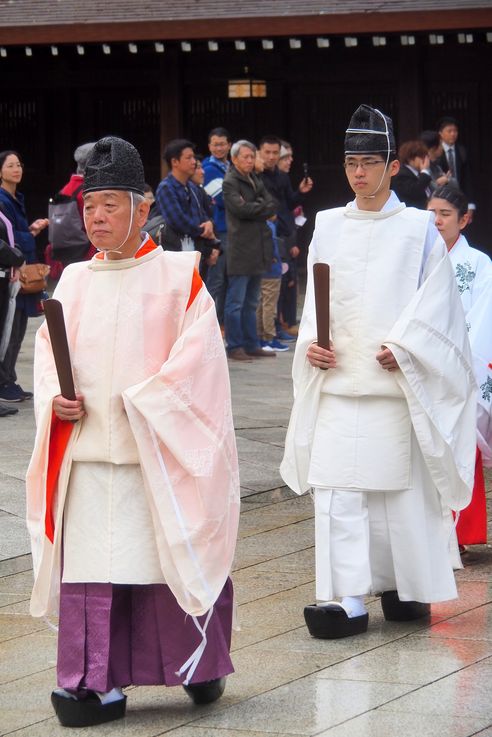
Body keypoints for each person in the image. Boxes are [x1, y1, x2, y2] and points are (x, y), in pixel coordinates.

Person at [26, 136, 240, 727]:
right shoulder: (72, 283)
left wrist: (148, 403)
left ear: (143, 209)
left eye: (110, 205)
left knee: (163, 558)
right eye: (89, 206)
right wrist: (56, 398)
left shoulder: (179, 277)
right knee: (94, 566)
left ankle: (199, 664)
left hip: (156, 454)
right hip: (90, 454)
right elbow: (48, 353)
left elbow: (199, 366)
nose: (95, 217)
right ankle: (95, 683)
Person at [280, 104, 476, 640]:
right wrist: (313, 346)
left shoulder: (419, 230)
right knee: (340, 489)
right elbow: (316, 303)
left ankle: (403, 586)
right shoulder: (328, 224)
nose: (359, 173)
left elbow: (439, 307)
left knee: (399, 493)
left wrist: (407, 349)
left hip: (395, 381)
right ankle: (344, 598)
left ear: (393, 166)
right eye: (351, 163)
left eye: (370, 162)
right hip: (341, 382)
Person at [428, 185, 492, 548]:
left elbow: (482, 321)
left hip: (460, 366)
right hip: (421, 364)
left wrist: (455, 359)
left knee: (460, 449)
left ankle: (460, 536)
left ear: (464, 219)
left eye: (445, 214)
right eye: (431, 213)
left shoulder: (479, 264)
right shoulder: (418, 257)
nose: (436, 221)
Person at [0, 150, 49, 403]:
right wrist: (30, 234)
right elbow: (9, 240)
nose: (17, 169)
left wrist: (29, 231)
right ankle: (3, 381)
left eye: (19, 164)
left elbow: (16, 235)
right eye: (10, 165)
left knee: (18, 327)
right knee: (9, 327)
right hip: (9, 272)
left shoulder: (14, 197)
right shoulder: (2, 200)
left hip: (19, 267)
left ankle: (9, 378)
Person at [222, 140, 278, 360]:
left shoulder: (254, 178)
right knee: (236, 301)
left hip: (258, 246)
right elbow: (241, 209)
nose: (249, 160)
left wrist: (257, 207)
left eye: (251, 156)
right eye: (244, 157)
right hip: (240, 247)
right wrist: (261, 208)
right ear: (234, 159)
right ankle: (235, 345)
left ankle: (251, 343)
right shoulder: (230, 182)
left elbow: (272, 203)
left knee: (252, 301)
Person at [259, 135, 313, 338]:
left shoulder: (282, 177)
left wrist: (300, 191)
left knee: (285, 280)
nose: (272, 157)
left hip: (285, 230)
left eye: (276, 153)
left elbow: (289, 204)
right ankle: (271, 327)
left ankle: (280, 324)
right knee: (273, 282)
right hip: (270, 233)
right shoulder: (257, 176)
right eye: (268, 153)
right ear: (260, 153)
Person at [155, 139, 218, 266]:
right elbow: (178, 221)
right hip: (176, 252)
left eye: (193, 158)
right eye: (188, 158)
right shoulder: (166, 187)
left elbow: (203, 214)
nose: (194, 162)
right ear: (174, 162)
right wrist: (204, 232)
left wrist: (209, 224)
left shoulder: (193, 187)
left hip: (196, 249)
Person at [202, 127, 231, 326]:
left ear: (229, 145)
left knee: (229, 278)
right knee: (217, 279)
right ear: (209, 146)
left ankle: (222, 321)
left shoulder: (231, 165)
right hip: (220, 228)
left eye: (222, 144)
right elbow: (222, 198)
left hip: (233, 228)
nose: (219, 148)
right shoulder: (207, 168)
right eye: (215, 144)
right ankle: (210, 322)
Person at [435, 116, 476, 222]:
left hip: (460, 198)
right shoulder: (436, 153)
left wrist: (470, 205)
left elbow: (468, 180)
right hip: (442, 198)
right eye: (449, 131)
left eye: (455, 131)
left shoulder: (462, 152)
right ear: (441, 133)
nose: (453, 134)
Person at [391, 140, 432, 209]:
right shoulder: (402, 174)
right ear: (411, 158)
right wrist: (424, 171)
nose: (425, 160)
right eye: (422, 157)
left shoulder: (418, 173)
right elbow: (415, 191)